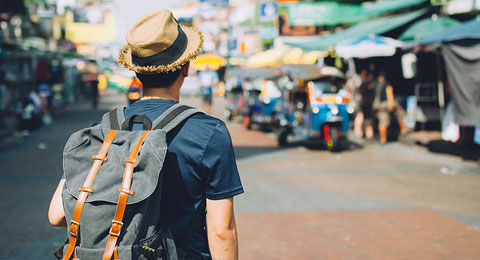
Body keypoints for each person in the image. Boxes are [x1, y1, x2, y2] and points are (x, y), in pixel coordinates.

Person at [48, 10, 243, 260]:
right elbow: (222, 230)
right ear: (186, 68)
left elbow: (57, 214)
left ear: (137, 71)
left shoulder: (101, 130)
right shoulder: (209, 133)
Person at [372, 72, 407, 144]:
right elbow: (389, 94)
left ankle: (383, 139)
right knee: (400, 115)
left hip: (378, 106)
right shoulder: (386, 84)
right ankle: (403, 129)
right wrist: (391, 104)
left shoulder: (374, 84)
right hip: (386, 104)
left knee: (382, 122)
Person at [354, 70, 374, 140]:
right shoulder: (366, 83)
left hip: (363, 103)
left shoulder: (362, 83)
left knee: (363, 117)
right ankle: (365, 133)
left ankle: (360, 132)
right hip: (366, 104)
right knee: (366, 119)